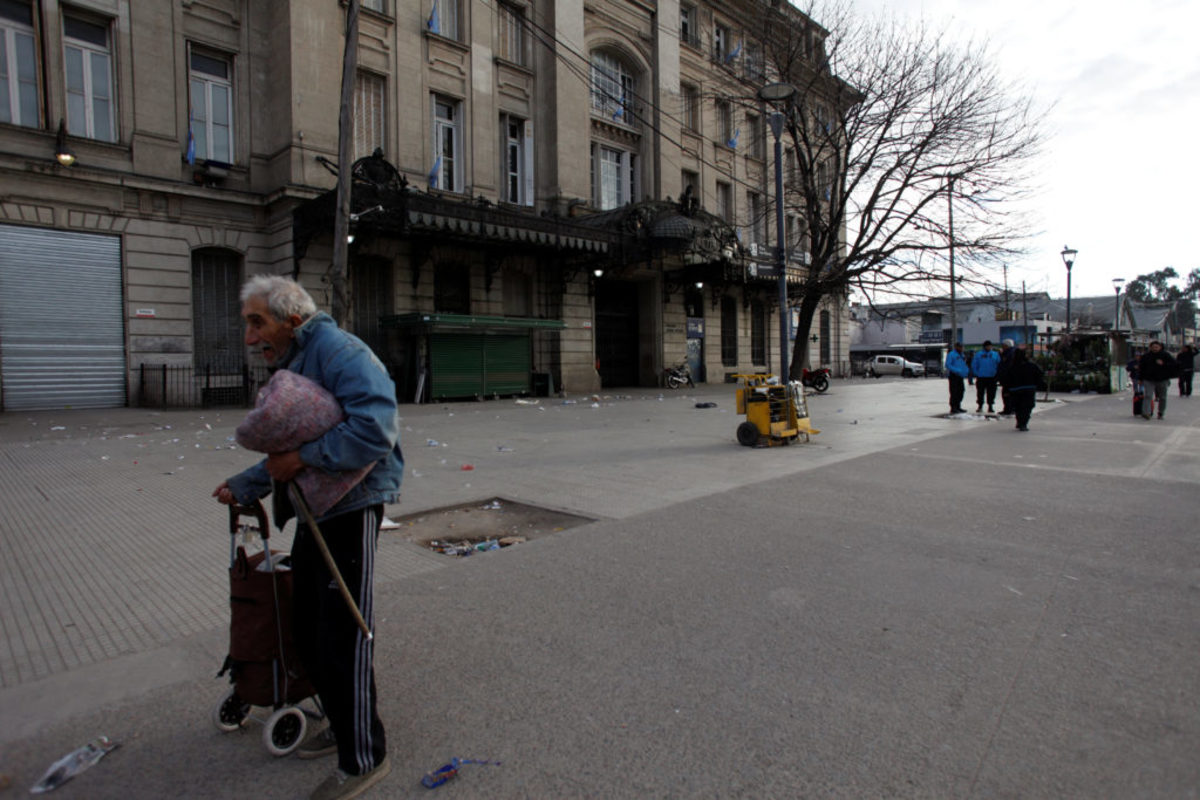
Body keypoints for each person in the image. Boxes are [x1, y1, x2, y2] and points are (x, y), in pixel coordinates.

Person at [213, 275, 402, 800]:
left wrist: (300, 459)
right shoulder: (298, 356)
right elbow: (292, 446)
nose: (250, 337)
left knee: (344, 635)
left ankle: (364, 757)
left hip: (352, 505)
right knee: (309, 628)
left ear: (291, 319)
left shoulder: (339, 351)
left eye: (257, 322)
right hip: (315, 506)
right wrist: (246, 483)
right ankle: (341, 725)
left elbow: (375, 430)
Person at [1000, 347, 1044, 431]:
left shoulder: (1012, 367)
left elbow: (1006, 379)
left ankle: (1020, 421)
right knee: (1027, 407)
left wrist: (1006, 390)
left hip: (1015, 390)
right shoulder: (1031, 366)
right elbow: (1039, 375)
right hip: (1029, 389)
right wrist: (1038, 384)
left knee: (1018, 406)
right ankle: (1023, 423)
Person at [1137, 341, 1177, 420]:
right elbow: (1141, 368)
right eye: (1153, 347)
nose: (1155, 349)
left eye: (1157, 347)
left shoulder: (1165, 355)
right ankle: (1146, 413)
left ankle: (1161, 412)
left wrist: (1164, 364)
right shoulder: (1146, 356)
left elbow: (1174, 364)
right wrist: (1140, 379)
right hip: (1149, 379)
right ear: (1150, 348)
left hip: (1162, 379)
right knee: (1148, 395)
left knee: (1162, 397)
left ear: (1160, 347)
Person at [970, 340, 1001, 413]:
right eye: (987, 346)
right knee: (980, 392)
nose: (989, 347)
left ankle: (990, 406)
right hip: (981, 377)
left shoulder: (995, 354)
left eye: (990, 346)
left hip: (992, 377)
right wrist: (977, 373)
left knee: (991, 392)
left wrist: (997, 374)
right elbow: (974, 364)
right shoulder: (979, 354)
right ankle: (980, 405)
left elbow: (999, 364)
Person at [944, 342, 969, 414]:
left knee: (961, 391)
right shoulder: (951, 354)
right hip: (953, 375)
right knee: (954, 391)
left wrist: (965, 371)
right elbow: (948, 364)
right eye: (960, 347)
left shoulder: (962, 355)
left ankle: (958, 406)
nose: (961, 348)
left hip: (960, 376)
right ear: (956, 347)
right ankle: (953, 407)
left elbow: (963, 364)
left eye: (962, 347)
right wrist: (956, 370)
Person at [996, 339, 1016, 415]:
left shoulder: (1008, 353)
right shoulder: (1011, 352)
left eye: (1003, 345)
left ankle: (1008, 409)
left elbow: (1005, 365)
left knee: (1007, 394)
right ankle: (1010, 408)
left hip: (1007, 378)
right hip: (1008, 377)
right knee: (1009, 394)